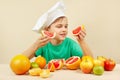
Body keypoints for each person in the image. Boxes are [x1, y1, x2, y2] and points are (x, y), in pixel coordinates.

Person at [22, 1, 93, 63]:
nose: (64, 29)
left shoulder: (71, 44)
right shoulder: (43, 45)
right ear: (47, 29)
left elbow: (90, 61)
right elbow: (20, 61)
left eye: (66, 26)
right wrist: (35, 45)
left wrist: (81, 41)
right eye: (59, 26)